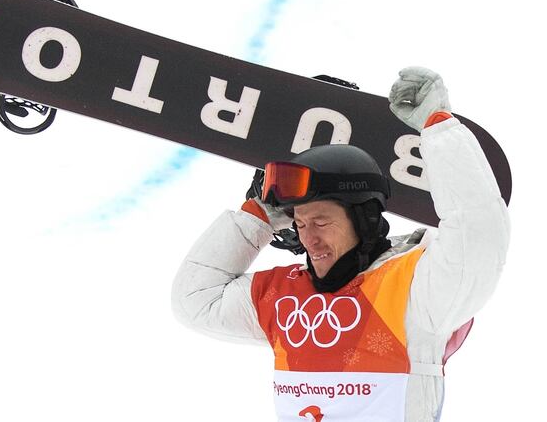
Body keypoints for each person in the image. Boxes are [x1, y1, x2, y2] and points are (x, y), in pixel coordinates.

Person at [171, 67, 510, 422]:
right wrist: (257, 218)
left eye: (321, 221)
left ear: (364, 220)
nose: (308, 238)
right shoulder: (285, 296)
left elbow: (479, 233)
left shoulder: (415, 293)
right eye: (299, 223)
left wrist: (438, 127)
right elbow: (195, 300)